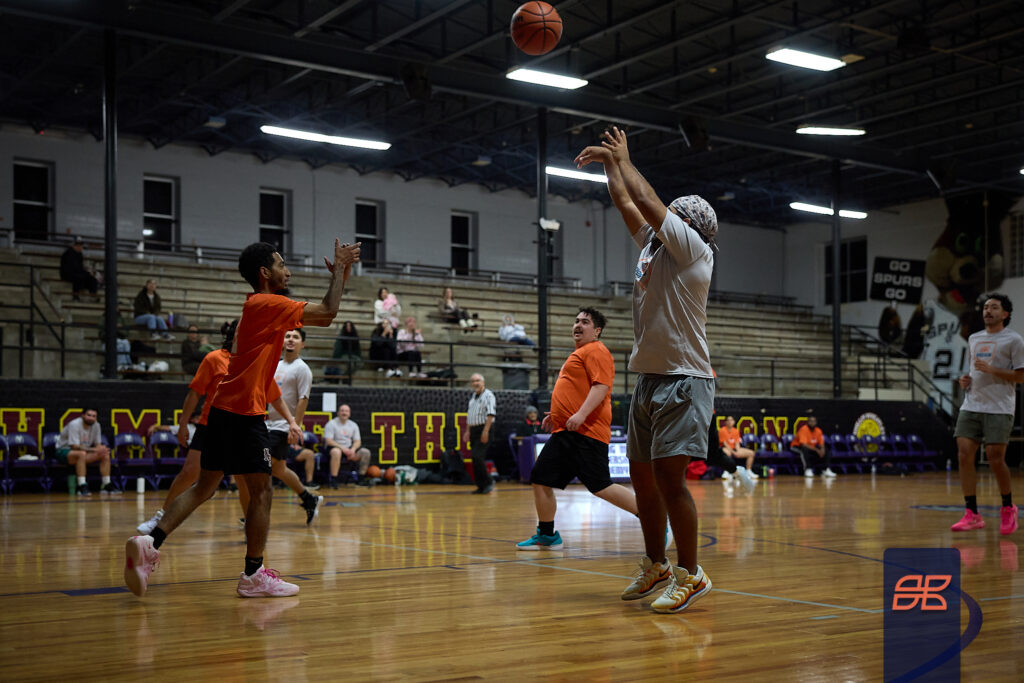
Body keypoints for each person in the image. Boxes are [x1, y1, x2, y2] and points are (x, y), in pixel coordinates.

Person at [124, 238, 361, 599]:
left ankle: (150, 542)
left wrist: (341, 273)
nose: (288, 271)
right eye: (282, 265)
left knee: (204, 486)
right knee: (262, 491)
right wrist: (341, 269)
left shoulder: (257, 306)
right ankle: (253, 574)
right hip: (243, 413)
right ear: (265, 272)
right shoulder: (268, 303)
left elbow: (322, 315)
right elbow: (328, 312)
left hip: (222, 410)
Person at [575, 126, 715, 614]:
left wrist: (625, 158)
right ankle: (657, 564)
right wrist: (610, 166)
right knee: (643, 481)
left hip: (684, 379)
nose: (664, 216)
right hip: (650, 379)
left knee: (672, 483)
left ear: (688, 224)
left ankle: (692, 574)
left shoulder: (694, 251)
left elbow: (647, 199)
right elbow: (627, 202)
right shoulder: (655, 249)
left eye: (674, 214)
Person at [518, 308, 640, 549]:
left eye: (585, 322)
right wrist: (558, 415)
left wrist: (581, 414)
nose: (578, 325)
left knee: (600, 486)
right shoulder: (581, 353)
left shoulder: (596, 350)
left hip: (586, 432)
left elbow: (601, 387)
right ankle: (547, 535)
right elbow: (577, 390)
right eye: (576, 321)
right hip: (567, 432)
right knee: (541, 478)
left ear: (597, 331)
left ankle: (654, 518)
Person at [137, 320, 237, 535]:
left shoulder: (254, 361)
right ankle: (162, 516)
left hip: (240, 427)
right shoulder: (215, 358)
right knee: (190, 473)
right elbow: (194, 394)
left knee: (247, 479)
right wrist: (183, 425)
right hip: (210, 425)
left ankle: (250, 522)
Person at [951, 294, 1022, 535]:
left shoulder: (1014, 340)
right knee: (963, 454)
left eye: (994, 307)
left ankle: (1008, 507)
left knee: (994, 458)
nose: (988, 311)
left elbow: (1021, 376)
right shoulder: (974, 338)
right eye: (985, 307)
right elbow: (975, 372)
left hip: (999, 407)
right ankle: (972, 513)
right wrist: (966, 380)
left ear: (1005, 314)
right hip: (972, 404)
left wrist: (993, 370)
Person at [265, 328, 323, 522]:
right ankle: (309, 498)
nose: (291, 339)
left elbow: (303, 399)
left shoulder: (302, 369)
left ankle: (256, 513)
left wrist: (294, 426)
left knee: (263, 466)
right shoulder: (275, 365)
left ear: (302, 344)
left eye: (295, 337)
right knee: (279, 470)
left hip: (283, 426)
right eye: (288, 336)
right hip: (268, 424)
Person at [56, 407, 117, 495]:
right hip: (63, 451)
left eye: (94, 416)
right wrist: (94, 449)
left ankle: (106, 484)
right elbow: (74, 446)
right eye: (89, 415)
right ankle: (82, 486)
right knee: (81, 454)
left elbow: (97, 444)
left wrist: (101, 449)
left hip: (84, 452)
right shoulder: (74, 424)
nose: (91, 418)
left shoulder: (96, 425)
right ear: (83, 415)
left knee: (105, 454)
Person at [464, 373, 496, 494]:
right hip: (474, 430)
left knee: (478, 456)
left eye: (477, 380)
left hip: (484, 428)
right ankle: (480, 486)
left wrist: (485, 431)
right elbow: (470, 415)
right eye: (473, 381)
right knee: (474, 457)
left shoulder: (488, 395)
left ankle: (489, 481)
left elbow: (491, 414)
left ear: (483, 382)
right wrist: (467, 431)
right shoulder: (473, 397)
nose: (475, 383)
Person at [324, 404, 365, 488]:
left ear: (349, 414)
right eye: (342, 411)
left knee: (365, 452)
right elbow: (328, 441)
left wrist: (353, 450)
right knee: (336, 452)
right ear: (338, 413)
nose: (344, 413)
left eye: (346, 411)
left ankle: (360, 479)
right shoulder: (331, 424)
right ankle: (333, 480)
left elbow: (358, 441)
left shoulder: (353, 425)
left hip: (349, 449)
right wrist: (343, 449)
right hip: (335, 448)